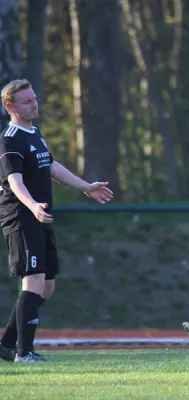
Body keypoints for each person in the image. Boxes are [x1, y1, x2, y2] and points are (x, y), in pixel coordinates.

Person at [0, 79, 113, 363]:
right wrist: (32, 206)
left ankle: (6, 344)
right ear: (10, 106)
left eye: (34, 99)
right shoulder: (10, 138)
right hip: (22, 217)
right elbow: (14, 181)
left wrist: (86, 187)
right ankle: (24, 353)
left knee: (47, 287)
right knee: (34, 281)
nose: (34, 104)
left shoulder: (34, 133)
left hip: (40, 217)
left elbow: (51, 165)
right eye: (27, 101)